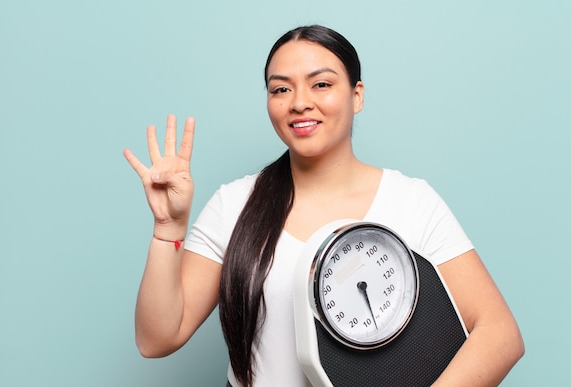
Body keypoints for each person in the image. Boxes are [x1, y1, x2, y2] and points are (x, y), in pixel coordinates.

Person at [124, 25, 524, 387]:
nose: (299, 103)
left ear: (357, 95)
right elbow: (157, 338)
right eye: (281, 89)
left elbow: (500, 334)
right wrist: (168, 231)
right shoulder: (235, 205)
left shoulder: (411, 200)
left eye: (321, 85)